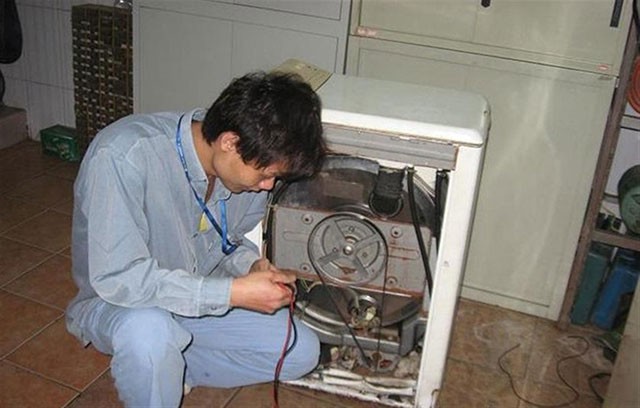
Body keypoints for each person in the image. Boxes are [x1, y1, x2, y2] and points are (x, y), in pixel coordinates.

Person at [65, 71, 327, 407]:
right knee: (149, 332)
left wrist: (251, 266)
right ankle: (155, 366)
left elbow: (228, 241)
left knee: (301, 351)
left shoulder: (243, 172)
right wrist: (231, 293)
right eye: (265, 175)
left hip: (195, 299)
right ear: (230, 142)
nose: (267, 186)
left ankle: (170, 367)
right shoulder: (122, 155)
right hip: (123, 304)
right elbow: (121, 278)